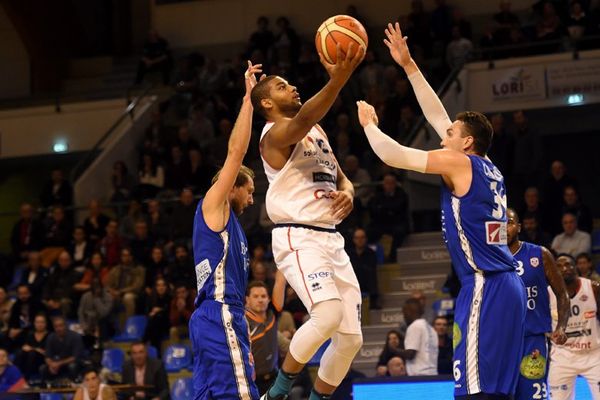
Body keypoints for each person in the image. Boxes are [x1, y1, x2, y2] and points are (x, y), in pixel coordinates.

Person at [357, 22, 526, 398]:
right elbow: (439, 116)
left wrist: (369, 125)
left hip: (485, 284)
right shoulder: (486, 166)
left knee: (475, 391)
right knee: (496, 390)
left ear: (466, 143)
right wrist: (409, 65)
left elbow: (393, 155)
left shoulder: (460, 164)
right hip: (502, 285)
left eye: (450, 135)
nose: (442, 135)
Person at [251, 41, 365, 400]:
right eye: (282, 86)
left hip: (331, 237)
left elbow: (341, 175)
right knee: (328, 314)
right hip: (298, 236)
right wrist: (339, 78)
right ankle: (278, 391)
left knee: (351, 339)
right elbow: (303, 119)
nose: (293, 87)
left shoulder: (318, 133)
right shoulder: (273, 135)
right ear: (266, 103)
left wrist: (349, 192)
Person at [189, 61, 262, 400]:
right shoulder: (215, 203)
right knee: (240, 393)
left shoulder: (232, 226)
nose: (251, 197)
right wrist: (248, 98)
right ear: (233, 186)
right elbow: (236, 151)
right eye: (249, 190)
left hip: (208, 316)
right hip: (220, 312)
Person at [506, 208, 569, 400]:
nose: (503, 227)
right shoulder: (489, 257)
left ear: (518, 227)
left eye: (508, 222)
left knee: (533, 395)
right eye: (498, 223)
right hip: (501, 340)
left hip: (532, 338)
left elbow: (562, 294)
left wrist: (561, 326)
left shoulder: (539, 254)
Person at [548, 254, 600, 400]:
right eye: (559, 266)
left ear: (575, 267)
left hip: (594, 354)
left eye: (568, 264)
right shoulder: (547, 293)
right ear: (554, 271)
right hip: (562, 356)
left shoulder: (593, 288)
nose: (565, 269)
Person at [245, 281, 289, 396]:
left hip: (275, 378)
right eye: (255, 296)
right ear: (247, 300)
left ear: (269, 299)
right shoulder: (241, 323)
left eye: (263, 296)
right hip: (252, 383)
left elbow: (279, 285)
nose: (260, 300)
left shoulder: (272, 315)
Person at [396, 298, 438, 376]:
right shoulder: (431, 328)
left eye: (404, 313)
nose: (404, 317)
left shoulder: (415, 326)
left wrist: (392, 350)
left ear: (409, 311)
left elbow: (410, 354)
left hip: (419, 376)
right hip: (433, 374)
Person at [41, 316, 84, 381]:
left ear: (65, 326)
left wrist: (58, 364)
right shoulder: (51, 337)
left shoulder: (75, 337)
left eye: (61, 326)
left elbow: (75, 357)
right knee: (43, 368)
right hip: (56, 365)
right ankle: (48, 387)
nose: (59, 328)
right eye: (56, 326)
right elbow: (47, 357)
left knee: (72, 366)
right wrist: (51, 365)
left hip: (71, 363)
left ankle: (73, 384)